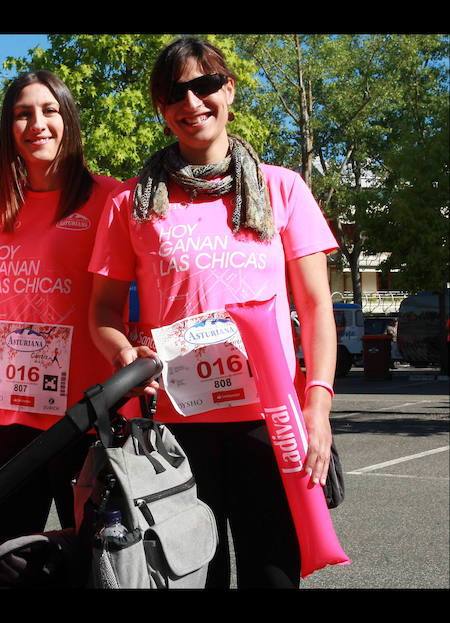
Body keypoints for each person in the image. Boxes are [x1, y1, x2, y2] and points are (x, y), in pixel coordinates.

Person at [88, 37, 339, 589]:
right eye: (174, 92)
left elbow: (318, 309)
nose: (191, 101)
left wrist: (316, 409)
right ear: (161, 108)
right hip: (176, 427)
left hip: (270, 422)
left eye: (204, 85)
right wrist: (125, 353)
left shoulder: (283, 188)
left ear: (228, 89)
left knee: (273, 576)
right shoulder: (129, 203)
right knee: (188, 578)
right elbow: (103, 312)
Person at [0, 70, 122, 550]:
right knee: (12, 560)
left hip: (89, 412)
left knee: (98, 562)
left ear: (68, 119)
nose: (37, 123)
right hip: (12, 415)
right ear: (9, 130)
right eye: (22, 114)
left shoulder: (111, 198)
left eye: (49, 110)